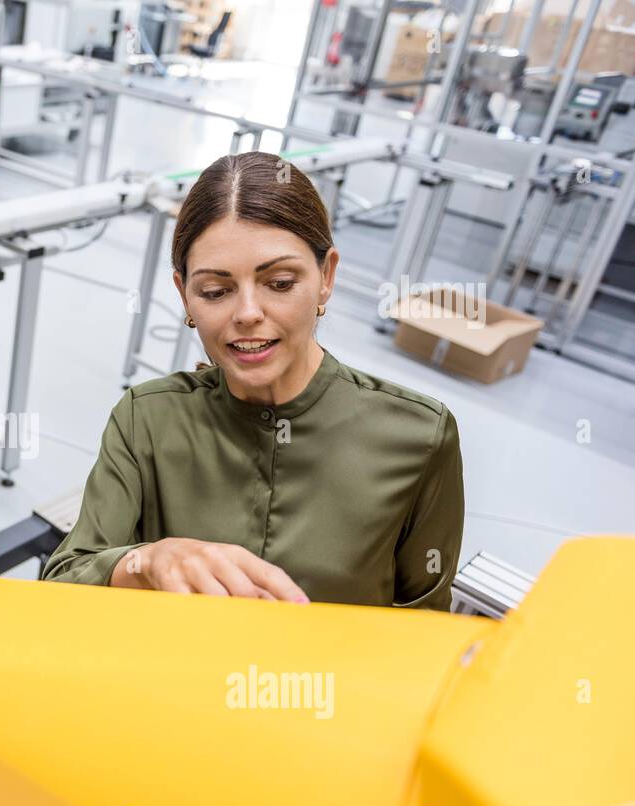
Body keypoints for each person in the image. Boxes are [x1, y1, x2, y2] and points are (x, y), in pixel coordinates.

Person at [42, 151, 464, 610]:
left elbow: (426, 628)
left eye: (280, 283)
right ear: (184, 295)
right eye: (216, 292)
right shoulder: (145, 419)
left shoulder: (420, 436)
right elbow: (65, 579)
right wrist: (147, 561)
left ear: (326, 276)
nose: (247, 314)